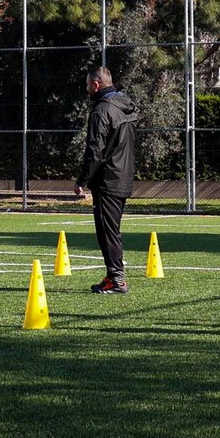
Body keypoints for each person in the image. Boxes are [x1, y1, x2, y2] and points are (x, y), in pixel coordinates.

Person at [75, 65, 139, 295]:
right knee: (111, 229)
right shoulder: (124, 106)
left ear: (96, 84)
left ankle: (117, 279)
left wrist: (82, 179)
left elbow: (95, 150)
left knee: (107, 231)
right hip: (123, 176)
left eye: (87, 85)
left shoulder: (102, 110)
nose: (86, 89)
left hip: (108, 179)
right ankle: (113, 276)